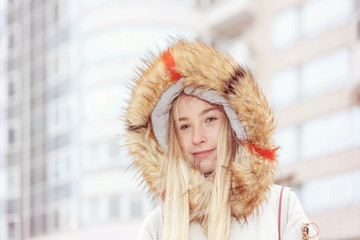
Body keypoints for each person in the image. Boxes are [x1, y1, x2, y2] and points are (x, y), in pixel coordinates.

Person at [124, 40, 319, 240]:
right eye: (184, 126)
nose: (197, 138)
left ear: (233, 125)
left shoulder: (281, 208)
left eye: (210, 119)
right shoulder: (157, 227)